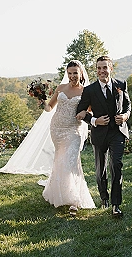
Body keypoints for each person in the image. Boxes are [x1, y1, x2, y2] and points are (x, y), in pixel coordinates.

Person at [76, 56, 131, 217]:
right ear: (96, 70)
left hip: (117, 132)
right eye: (99, 68)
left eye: (105, 67)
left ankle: (116, 205)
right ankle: (104, 197)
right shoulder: (90, 90)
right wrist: (94, 120)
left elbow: (128, 105)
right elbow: (79, 111)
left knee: (116, 165)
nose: (102, 71)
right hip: (99, 134)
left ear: (110, 68)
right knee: (100, 170)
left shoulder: (121, 85)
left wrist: (125, 116)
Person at [41, 60, 95, 216]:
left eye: (75, 73)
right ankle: (59, 193)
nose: (72, 76)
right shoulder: (60, 88)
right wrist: (41, 100)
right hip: (57, 128)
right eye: (70, 73)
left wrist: (84, 113)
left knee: (70, 161)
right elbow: (49, 108)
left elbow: (92, 112)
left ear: (81, 73)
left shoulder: (86, 92)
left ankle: (74, 200)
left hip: (74, 130)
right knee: (60, 160)